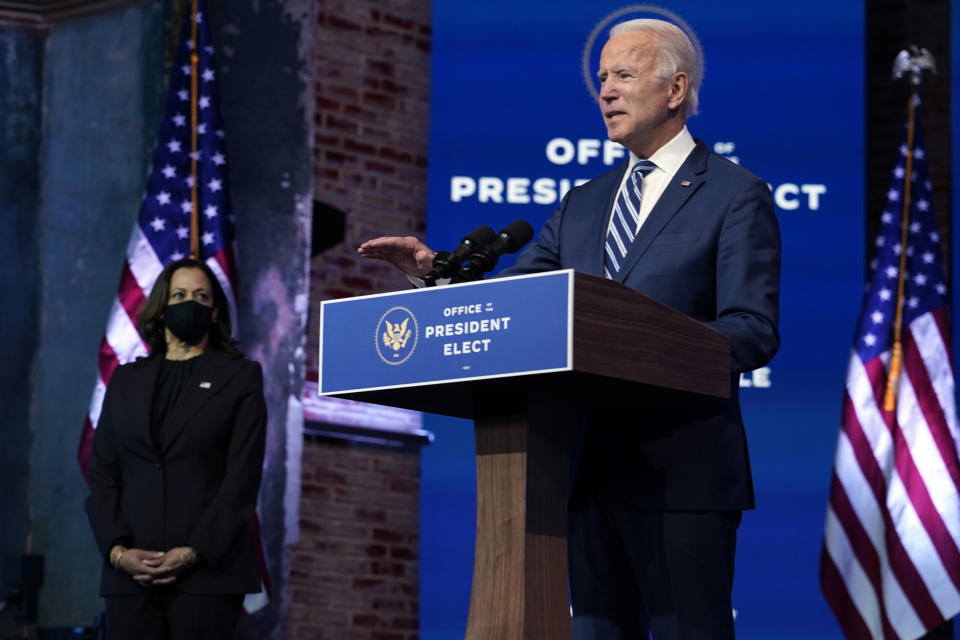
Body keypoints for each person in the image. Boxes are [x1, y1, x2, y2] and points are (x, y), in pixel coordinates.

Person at [359, 17, 779, 640]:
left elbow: (752, 330)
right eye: (602, 77)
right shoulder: (584, 201)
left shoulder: (733, 194)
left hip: (681, 475)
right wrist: (435, 280)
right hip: (582, 473)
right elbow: (514, 302)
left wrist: (639, 341)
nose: (605, 90)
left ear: (674, 89)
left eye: (624, 75)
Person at [85, 257, 267, 640]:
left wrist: (193, 551)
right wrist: (118, 553)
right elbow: (103, 474)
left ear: (215, 311)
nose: (191, 303)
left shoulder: (240, 378)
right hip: (131, 578)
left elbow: (242, 479)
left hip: (206, 577)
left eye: (201, 296)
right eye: (180, 295)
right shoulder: (125, 380)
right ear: (162, 307)